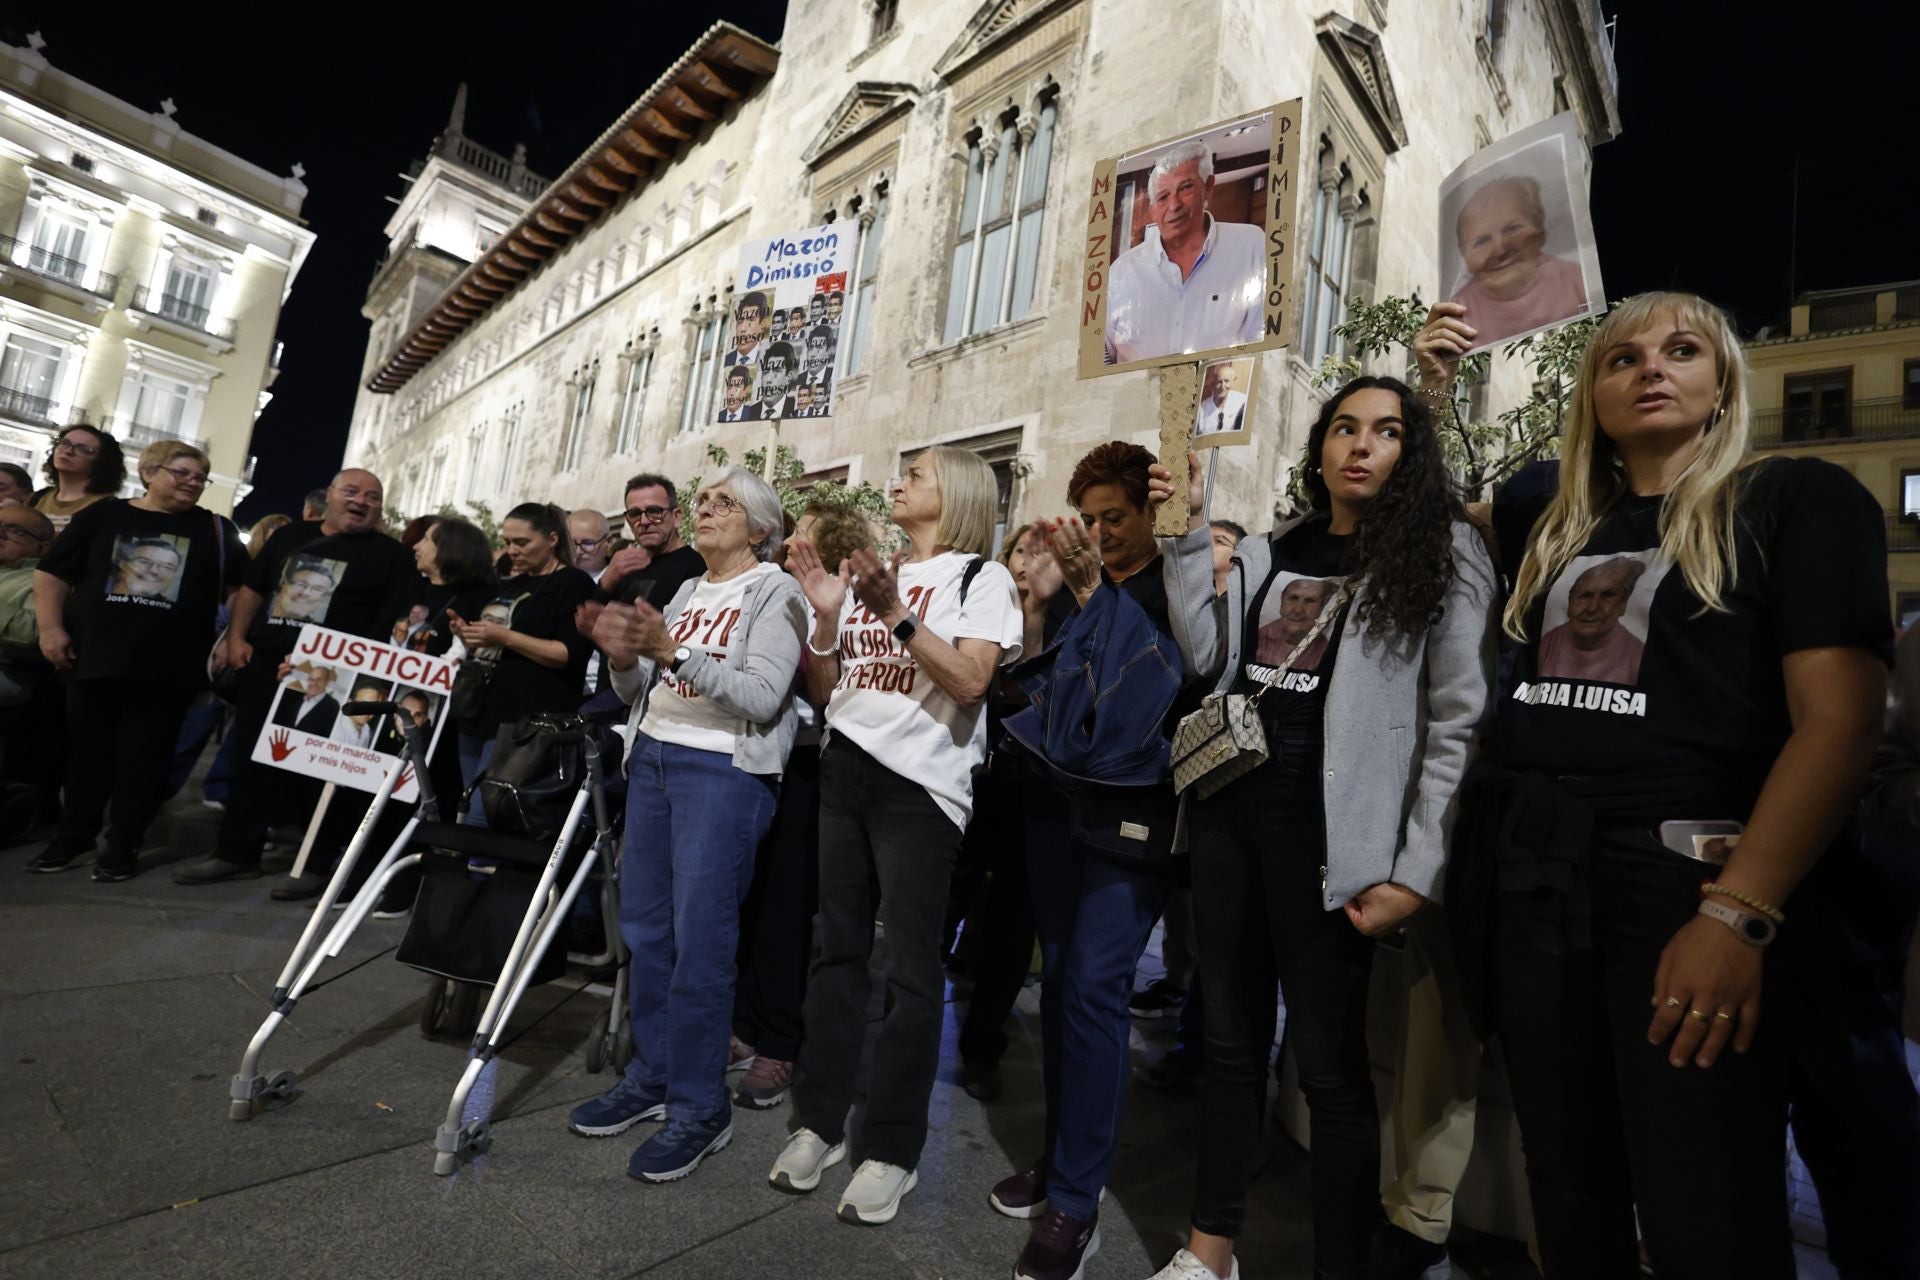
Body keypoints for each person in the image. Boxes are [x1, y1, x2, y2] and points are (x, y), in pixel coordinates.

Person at [1417, 291, 1894, 1278]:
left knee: (1706, 1201)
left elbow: (1841, 724)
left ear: (1723, 383)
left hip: (1689, 883)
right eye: (1620, 357)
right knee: (1566, 1177)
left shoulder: (1796, 500)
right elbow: (1414, 513)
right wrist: (1432, 386)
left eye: (1681, 350)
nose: (1650, 368)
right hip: (1536, 878)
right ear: (1590, 393)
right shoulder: (1549, 515)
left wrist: (1738, 913)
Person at [1144, 375, 1497, 1280]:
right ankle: (1209, 1248)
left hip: (1335, 836)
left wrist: (1416, 867)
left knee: (1332, 1072)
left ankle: (1337, 1264)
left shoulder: (1445, 550)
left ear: (1408, 452)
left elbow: (1460, 717)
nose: (1360, 445)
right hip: (1231, 813)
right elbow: (1208, 659)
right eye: (1345, 428)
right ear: (1321, 446)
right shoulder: (1273, 547)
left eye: (1384, 432)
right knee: (1228, 1044)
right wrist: (1187, 535)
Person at [772, 446, 1021, 1225]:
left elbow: (973, 683)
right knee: (836, 951)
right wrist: (823, 615)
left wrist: (893, 614)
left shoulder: (984, 579)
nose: (897, 482)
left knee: (912, 974)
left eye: (916, 475)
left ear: (958, 495)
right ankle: (821, 1120)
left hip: (920, 789)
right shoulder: (875, 573)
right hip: (846, 770)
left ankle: (892, 1148)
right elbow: (831, 689)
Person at [984, 443, 1193, 1280]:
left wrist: (1086, 593)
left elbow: (1155, 689)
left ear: (1150, 514)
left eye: (1118, 517)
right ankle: (1067, 1154)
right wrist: (1042, 616)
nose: (1103, 533)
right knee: (1065, 984)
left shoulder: (1171, 586)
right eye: (1093, 518)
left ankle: (1077, 1201)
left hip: (1135, 816)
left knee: (1100, 989)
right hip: (1054, 805)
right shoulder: (1076, 586)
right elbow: (1053, 697)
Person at [568, 468, 804, 1180]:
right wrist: (622, 658)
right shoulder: (688, 589)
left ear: (761, 529)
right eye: (703, 500)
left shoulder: (776, 591)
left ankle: (702, 1108)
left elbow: (763, 698)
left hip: (723, 775)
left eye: (724, 503)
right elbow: (643, 689)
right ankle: (654, 1076)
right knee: (646, 930)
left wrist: (672, 650)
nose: (705, 509)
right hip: (656, 765)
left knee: (702, 943)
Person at [173, 469, 415, 885]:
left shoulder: (393, 556)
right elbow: (253, 588)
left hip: (336, 679)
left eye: (372, 497)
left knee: (323, 776)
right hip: (269, 667)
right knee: (251, 762)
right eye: (352, 492)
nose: (361, 501)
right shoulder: (289, 537)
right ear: (331, 495)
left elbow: (397, 620)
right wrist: (236, 638)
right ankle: (235, 853)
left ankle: (313, 864)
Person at [30, 441, 249, 882]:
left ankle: (123, 843)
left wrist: (234, 636)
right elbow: (52, 572)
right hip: (93, 657)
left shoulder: (215, 529)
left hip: (168, 669)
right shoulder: (105, 515)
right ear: (149, 472)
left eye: (200, 477)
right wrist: (51, 629)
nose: (192, 482)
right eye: (182, 472)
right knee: (87, 754)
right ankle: (74, 836)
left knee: (145, 759)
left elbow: (246, 587)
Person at [730, 500, 874, 1109]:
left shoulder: (845, 600)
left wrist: (820, 620)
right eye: (789, 537)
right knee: (753, 898)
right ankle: (743, 1022)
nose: (790, 545)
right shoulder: (768, 588)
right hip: (758, 759)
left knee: (789, 909)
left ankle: (780, 1042)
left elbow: (830, 691)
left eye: (805, 537)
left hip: (814, 764)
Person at [951, 521, 1041, 1104]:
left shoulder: (1066, 615)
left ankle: (982, 1046)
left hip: (1031, 791)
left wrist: (1041, 608)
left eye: (1042, 553)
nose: (1030, 562)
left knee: (1012, 924)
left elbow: (1034, 682)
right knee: (943, 900)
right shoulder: (977, 606)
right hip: (968, 782)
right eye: (1020, 551)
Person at [448, 502, 596, 809]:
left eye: (522, 542)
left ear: (552, 539)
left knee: (486, 811)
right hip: (480, 711)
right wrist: (470, 635)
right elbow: (496, 642)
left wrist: (504, 636)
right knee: (466, 806)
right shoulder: (515, 583)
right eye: (507, 543)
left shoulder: (573, 583)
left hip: (524, 720)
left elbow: (567, 654)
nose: (512, 550)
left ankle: (487, 860)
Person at [1104, 140, 1266, 366]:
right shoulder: (1122, 271)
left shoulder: (1251, 245)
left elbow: (1262, 340)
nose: (1174, 205)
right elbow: (1102, 354)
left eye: (1185, 187)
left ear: (1208, 187)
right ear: (1151, 210)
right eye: (1163, 197)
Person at [1447, 174, 1588, 345]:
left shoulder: (1576, 281)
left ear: (1540, 231)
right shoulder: (1459, 310)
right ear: (1466, 258)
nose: (1499, 250)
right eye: (1482, 241)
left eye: (1512, 229)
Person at [1536, 555, 1650, 683]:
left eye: (1607, 596)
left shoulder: (1637, 656)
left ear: (1623, 604)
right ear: (1570, 601)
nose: (1592, 608)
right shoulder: (1548, 643)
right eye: (1585, 596)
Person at [601, 475, 707, 611]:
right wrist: (605, 585)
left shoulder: (696, 569)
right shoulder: (625, 567)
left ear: (677, 516)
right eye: (635, 514)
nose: (644, 521)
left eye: (654, 512)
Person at [32, 424, 126, 534]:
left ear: (101, 461)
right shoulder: (38, 498)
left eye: (83, 449)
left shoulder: (107, 509)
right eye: (64, 443)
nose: (68, 451)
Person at [272, 666, 341, 736]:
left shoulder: (333, 706)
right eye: (311, 679)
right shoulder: (295, 699)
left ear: (327, 682)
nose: (313, 683)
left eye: (319, 680)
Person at [1194, 363, 1247, 437]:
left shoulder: (1242, 400)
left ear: (1233, 381)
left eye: (1226, 381)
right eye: (1219, 382)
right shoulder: (1203, 409)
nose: (1222, 387)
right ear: (1214, 383)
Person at [725, 291, 770, 368]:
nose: (742, 329)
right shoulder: (727, 360)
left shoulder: (767, 360)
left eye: (751, 320)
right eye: (740, 322)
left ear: (762, 325)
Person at [568, 509, 614, 581]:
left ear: (608, 541)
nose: (578, 552)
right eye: (572, 543)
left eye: (587, 543)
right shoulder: (557, 581)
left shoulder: (623, 581)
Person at [756, 342, 798, 420]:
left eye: (776, 371)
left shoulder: (796, 409)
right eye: (766, 372)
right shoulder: (750, 412)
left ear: (788, 378)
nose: (768, 380)